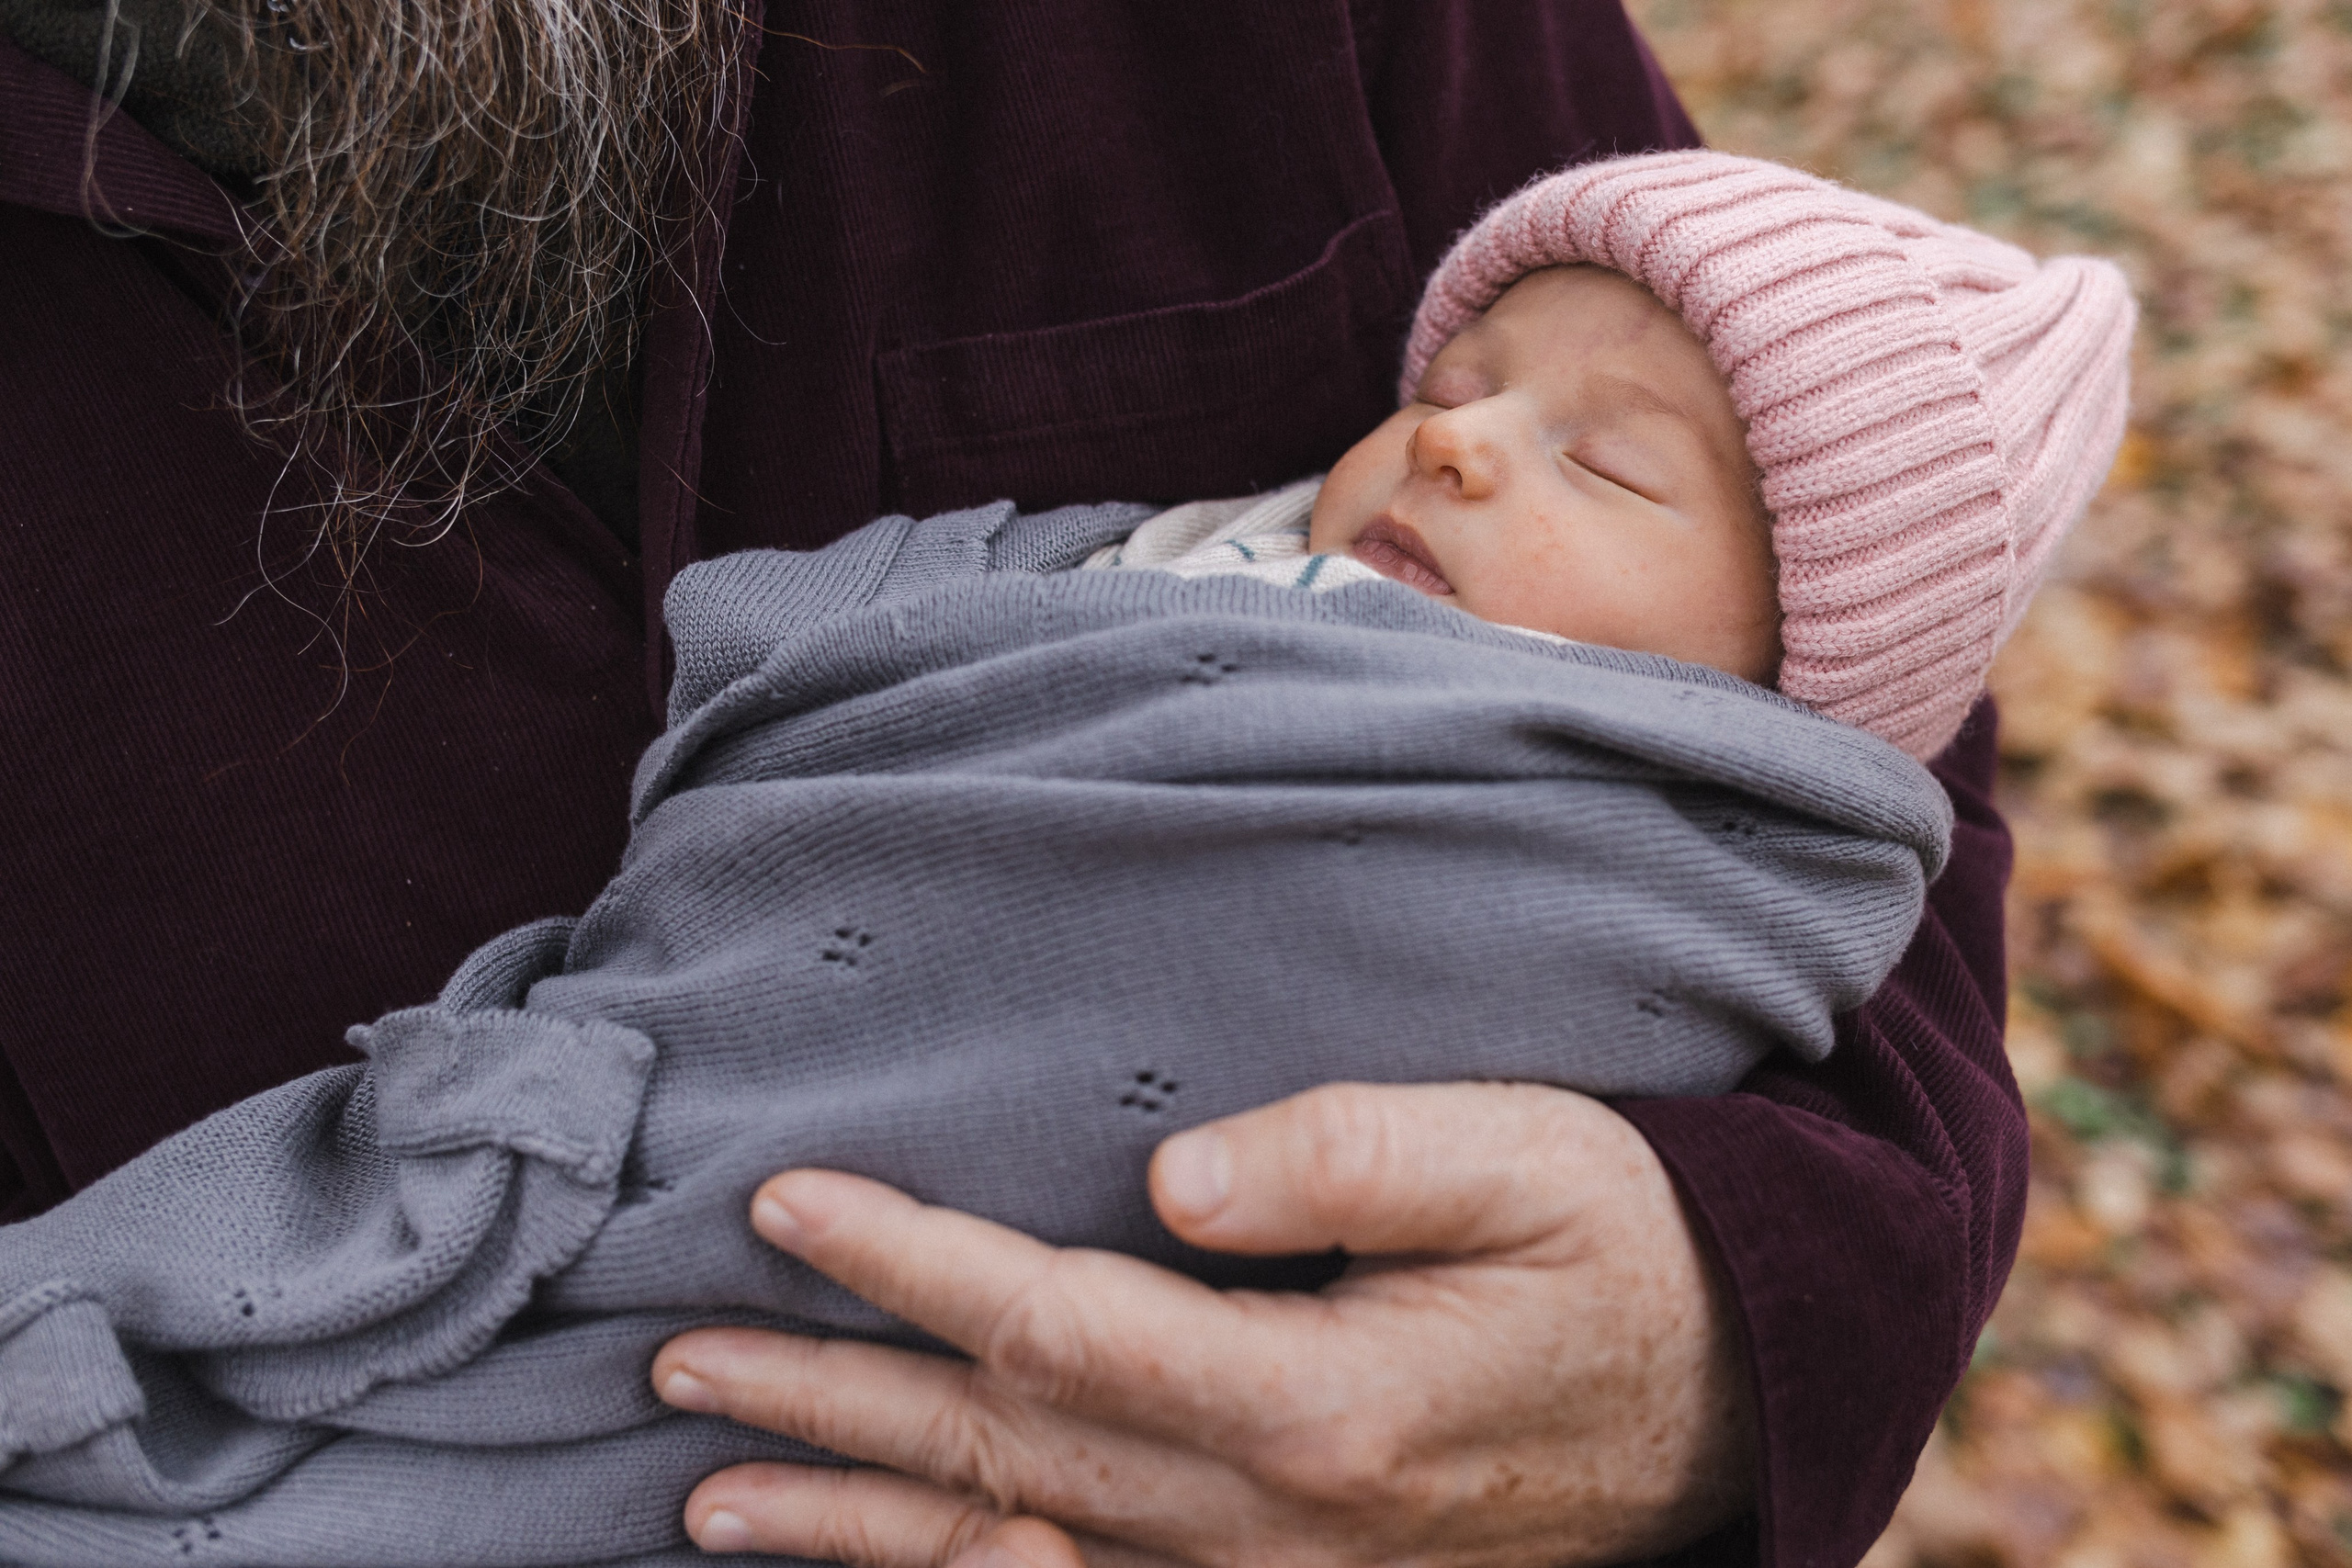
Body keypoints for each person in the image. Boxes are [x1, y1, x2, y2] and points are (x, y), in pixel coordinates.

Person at [0, 6, 2032, 1565]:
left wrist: (1708, 1333)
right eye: (1435, 390)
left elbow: (1865, 757)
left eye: (1589, 460)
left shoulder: (1725, 669)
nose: (1458, 446)